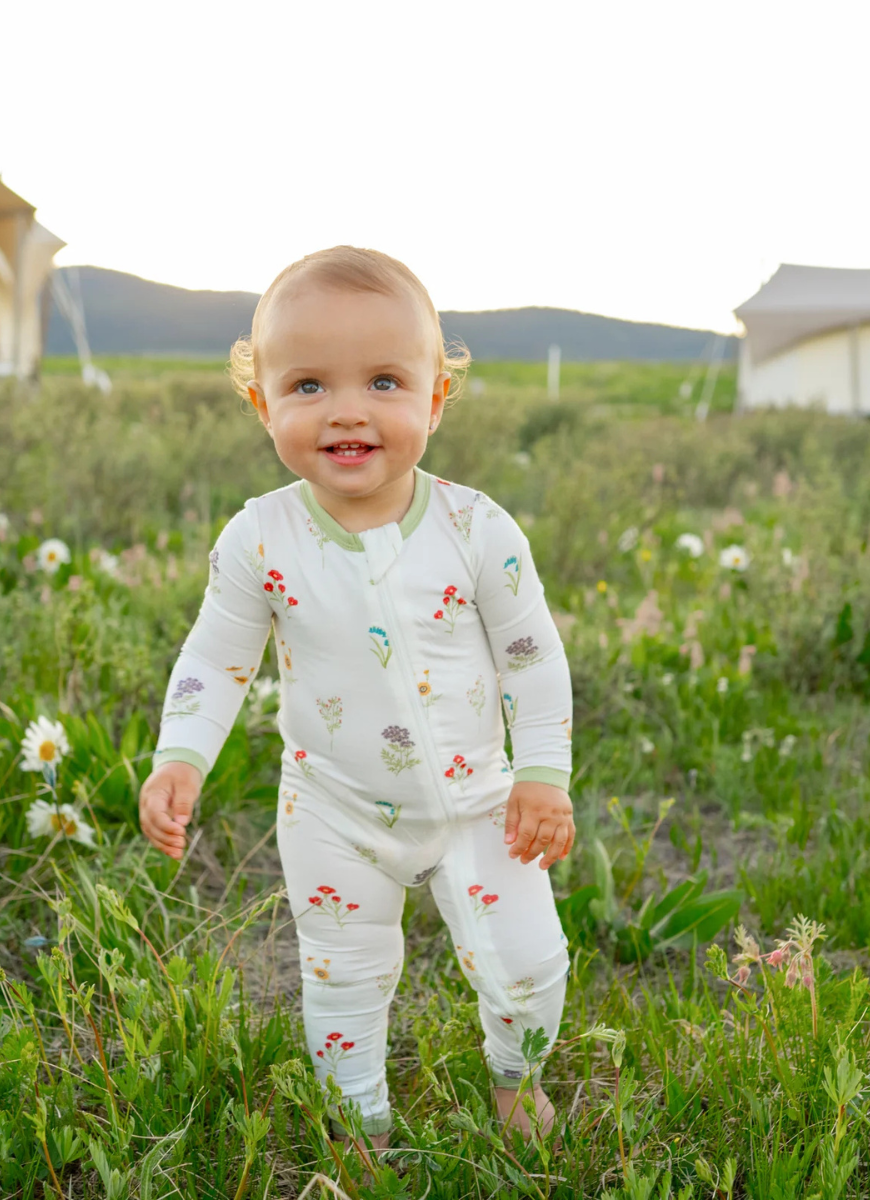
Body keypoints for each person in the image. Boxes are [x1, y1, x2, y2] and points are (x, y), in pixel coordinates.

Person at [138, 245, 576, 1167]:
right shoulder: (259, 538)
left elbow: (532, 658)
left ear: (435, 399)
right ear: (262, 405)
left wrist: (542, 773)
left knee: (528, 960)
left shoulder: (476, 529)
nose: (346, 410)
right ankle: (359, 1124)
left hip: (480, 803)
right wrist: (180, 754)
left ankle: (518, 1076)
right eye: (307, 385)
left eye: (383, 381)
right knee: (343, 975)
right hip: (333, 809)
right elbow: (216, 656)